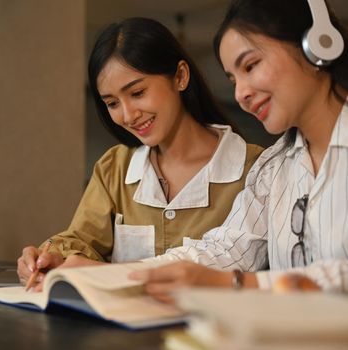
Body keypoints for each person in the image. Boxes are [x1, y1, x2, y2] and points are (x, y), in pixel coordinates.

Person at [17, 17, 263, 289]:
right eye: (112, 103)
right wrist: (48, 257)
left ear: (180, 77)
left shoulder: (256, 169)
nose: (127, 115)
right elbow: (81, 240)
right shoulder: (115, 167)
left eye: (137, 92)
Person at [130, 0, 348, 301]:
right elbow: (225, 249)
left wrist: (240, 285)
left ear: (318, 46)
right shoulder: (273, 167)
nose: (240, 93)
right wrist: (106, 276)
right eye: (233, 79)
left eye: (250, 66)